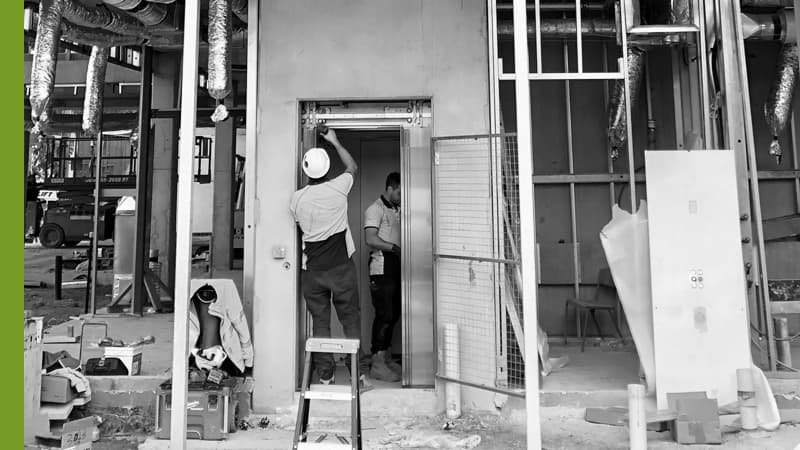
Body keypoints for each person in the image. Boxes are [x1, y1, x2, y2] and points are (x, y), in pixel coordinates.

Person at [289, 128, 372, 390]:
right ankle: (358, 375)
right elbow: (352, 166)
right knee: (350, 320)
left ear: (305, 170)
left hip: (313, 271)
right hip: (341, 268)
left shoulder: (297, 199)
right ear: (326, 168)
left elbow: (299, 225)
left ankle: (325, 376)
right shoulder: (339, 187)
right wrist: (334, 140)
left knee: (320, 323)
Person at [364, 172, 403, 382]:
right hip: (381, 266)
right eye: (399, 192)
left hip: (396, 265)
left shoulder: (397, 209)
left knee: (395, 312)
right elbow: (370, 239)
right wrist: (394, 248)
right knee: (384, 313)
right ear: (390, 188)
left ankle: (386, 357)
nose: (401, 196)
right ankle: (377, 362)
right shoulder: (375, 209)